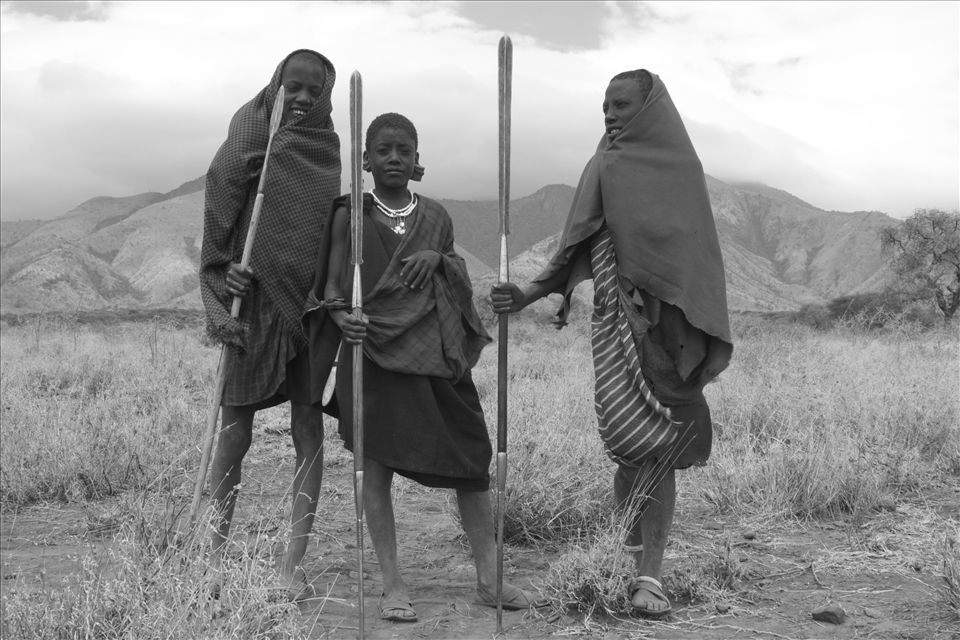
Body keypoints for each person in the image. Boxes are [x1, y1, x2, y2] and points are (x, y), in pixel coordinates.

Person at [491, 69, 733, 617]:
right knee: (628, 445)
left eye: (621, 104)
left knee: (661, 451)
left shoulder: (682, 171)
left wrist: (695, 323)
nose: (610, 113)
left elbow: (699, 256)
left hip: (669, 333)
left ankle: (651, 573)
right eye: (605, 105)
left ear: (649, 110)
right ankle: (624, 555)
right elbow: (572, 249)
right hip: (614, 329)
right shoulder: (602, 165)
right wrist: (523, 296)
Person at [302, 112, 546, 622]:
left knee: (471, 460)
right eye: (383, 150)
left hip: (436, 353)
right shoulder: (349, 214)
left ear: (418, 162)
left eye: (404, 151)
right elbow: (329, 290)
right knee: (376, 465)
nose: (394, 157)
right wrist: (343, 318)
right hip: (371, 351)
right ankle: (392, 584)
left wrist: (439, 259)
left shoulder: (435, 216)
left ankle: (488, 578)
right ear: (365, 160)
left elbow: (456, 271)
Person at [199, 49, 341, 600]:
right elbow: (220, 201)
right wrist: (222, 269)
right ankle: (212, 552)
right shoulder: (249, 131)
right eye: (294, 86)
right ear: (275, 84)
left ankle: (292, 562)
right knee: (233, 435)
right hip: (252, 305)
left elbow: (332, 228)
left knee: (308, 431)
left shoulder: (328, 147)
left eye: (314, 90)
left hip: (307, 309)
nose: (303, 98)